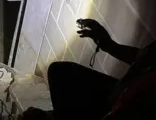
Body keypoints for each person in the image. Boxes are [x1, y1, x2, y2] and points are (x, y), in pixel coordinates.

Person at [20, 18, 156, 120]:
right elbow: (142, 59)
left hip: (121, 104)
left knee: (59, 73)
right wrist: (109, 45)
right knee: (59, 72)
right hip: (120, 95)